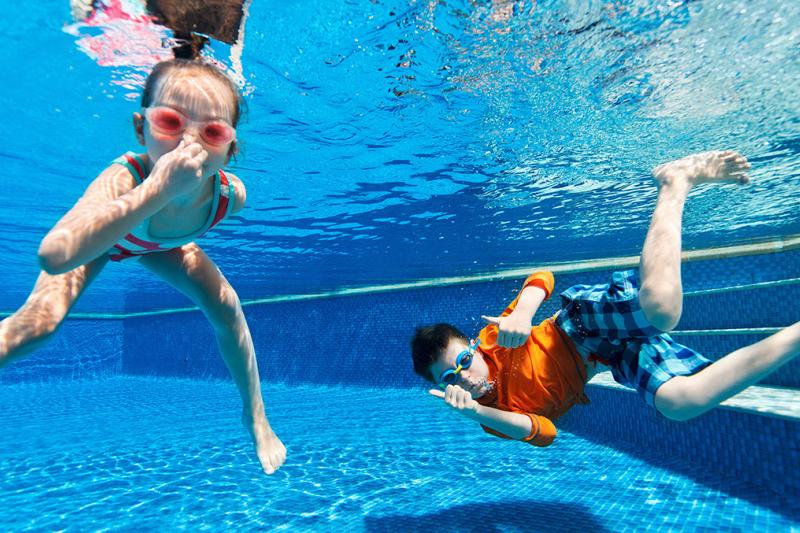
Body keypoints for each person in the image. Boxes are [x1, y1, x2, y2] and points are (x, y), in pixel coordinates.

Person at [0, 52, 285, 474]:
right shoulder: (125, 178)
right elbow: (55, 255)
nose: (190, 143)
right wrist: (157, 189)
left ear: (229, 150)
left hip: (160, 247)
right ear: (141, 128)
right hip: (102, 240)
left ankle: (256, 416)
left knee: (227, 306)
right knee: (41, 323)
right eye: (170, 123)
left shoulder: (231, 195)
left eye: (211, 132)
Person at [412, 151, 799, 446]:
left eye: (463, 360)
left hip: (578, 327)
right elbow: (545, 433)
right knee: (681, 401)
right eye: (451, 377)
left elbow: (542, 277)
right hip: (607, 356)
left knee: (662, 310)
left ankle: (674, 183)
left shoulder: (498, 341)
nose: (464, 374)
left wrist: (524, 313)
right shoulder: (488, 416)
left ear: (475, 347)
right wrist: (478, 411)